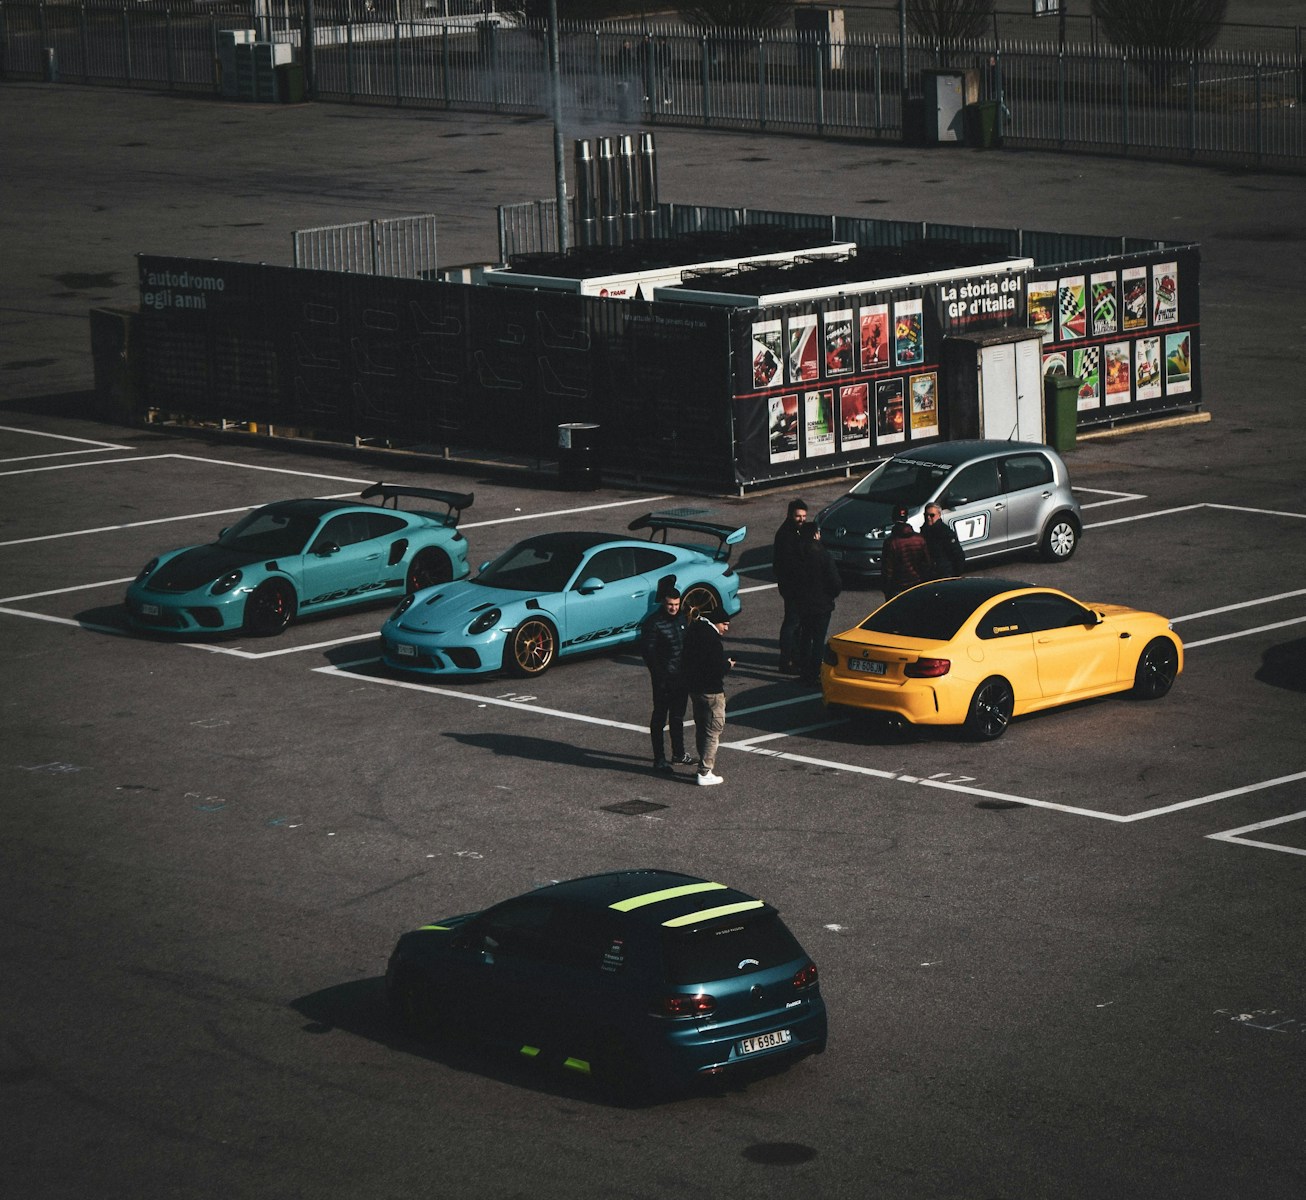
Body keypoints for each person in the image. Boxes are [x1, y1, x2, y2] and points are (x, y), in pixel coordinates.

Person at [639, 586, 694, 773]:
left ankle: (679, 753)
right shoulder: (653, 623)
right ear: (664, 603)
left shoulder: (681, 618)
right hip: (664, 680)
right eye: (670, 604)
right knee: (659, 719)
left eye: (677, 604)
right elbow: (649, 654)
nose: (674, 608)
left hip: (681, 677)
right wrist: (660, 677)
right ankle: (659, 759)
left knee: (677, 717)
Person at [683, 610, 735, 787]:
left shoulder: (694, 631)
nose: (726, 628)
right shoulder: (712, 640)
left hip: (695, 690)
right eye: (724, 624)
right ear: (716, 622)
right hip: (712, 692)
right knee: (713, 730)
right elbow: (716, 668)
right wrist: (728, 664)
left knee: (702, 728)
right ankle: (705, 771)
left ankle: (702, 765)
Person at [792, 524, 842, 686]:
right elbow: (835, 582)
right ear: (815, 535)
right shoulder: (823, 555)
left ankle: (804, 670)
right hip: (822, 604)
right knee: (819, 640)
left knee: (805, 637)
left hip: (803, 603)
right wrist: (831, 595)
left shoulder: (798, 555)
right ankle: (814, 673)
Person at [772, 498, 808, 673]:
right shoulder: (787, 535)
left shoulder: (792, 532)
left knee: (795, 623)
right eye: (798, 516)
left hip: (793, 587)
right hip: (794, 588)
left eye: (803, 516)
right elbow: (788, 564)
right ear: (790, 515)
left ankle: (793, 656)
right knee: (792, 623)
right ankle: (786, 660)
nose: (801, 519)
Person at [880, 505, 932, 599]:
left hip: (898, 586)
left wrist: (886, 587)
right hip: (917, 583)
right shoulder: (919, 539)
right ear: (907, 518)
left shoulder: (891, 542)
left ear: (893, 518)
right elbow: (927, 563)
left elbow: (888, 569)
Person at [922, 503, 966, 579]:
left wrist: (956, 574)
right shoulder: (924, 532)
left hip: (946, 573)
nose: (928, 518)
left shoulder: (945, 532)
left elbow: (958, 554)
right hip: (932, 574)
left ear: (939, 515)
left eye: (932, 515)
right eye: (926, 515)